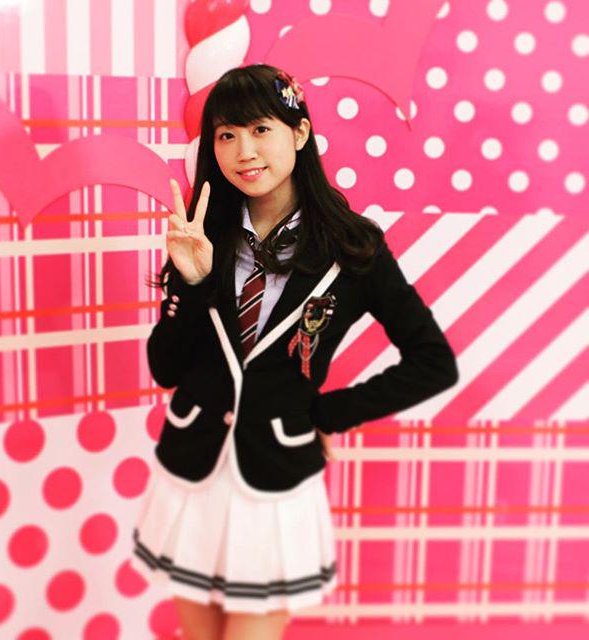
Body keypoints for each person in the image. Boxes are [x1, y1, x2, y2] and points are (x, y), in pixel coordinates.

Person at [132, 63, 459, 640]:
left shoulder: (353, 245)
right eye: (227, 135)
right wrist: (194, 281)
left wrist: (323, 414)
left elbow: (433, 362)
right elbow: (166, 368)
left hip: (275, 481)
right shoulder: (202, 234)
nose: (244, 151)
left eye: (261, 129)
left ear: (300, 133)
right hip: (193, 470)